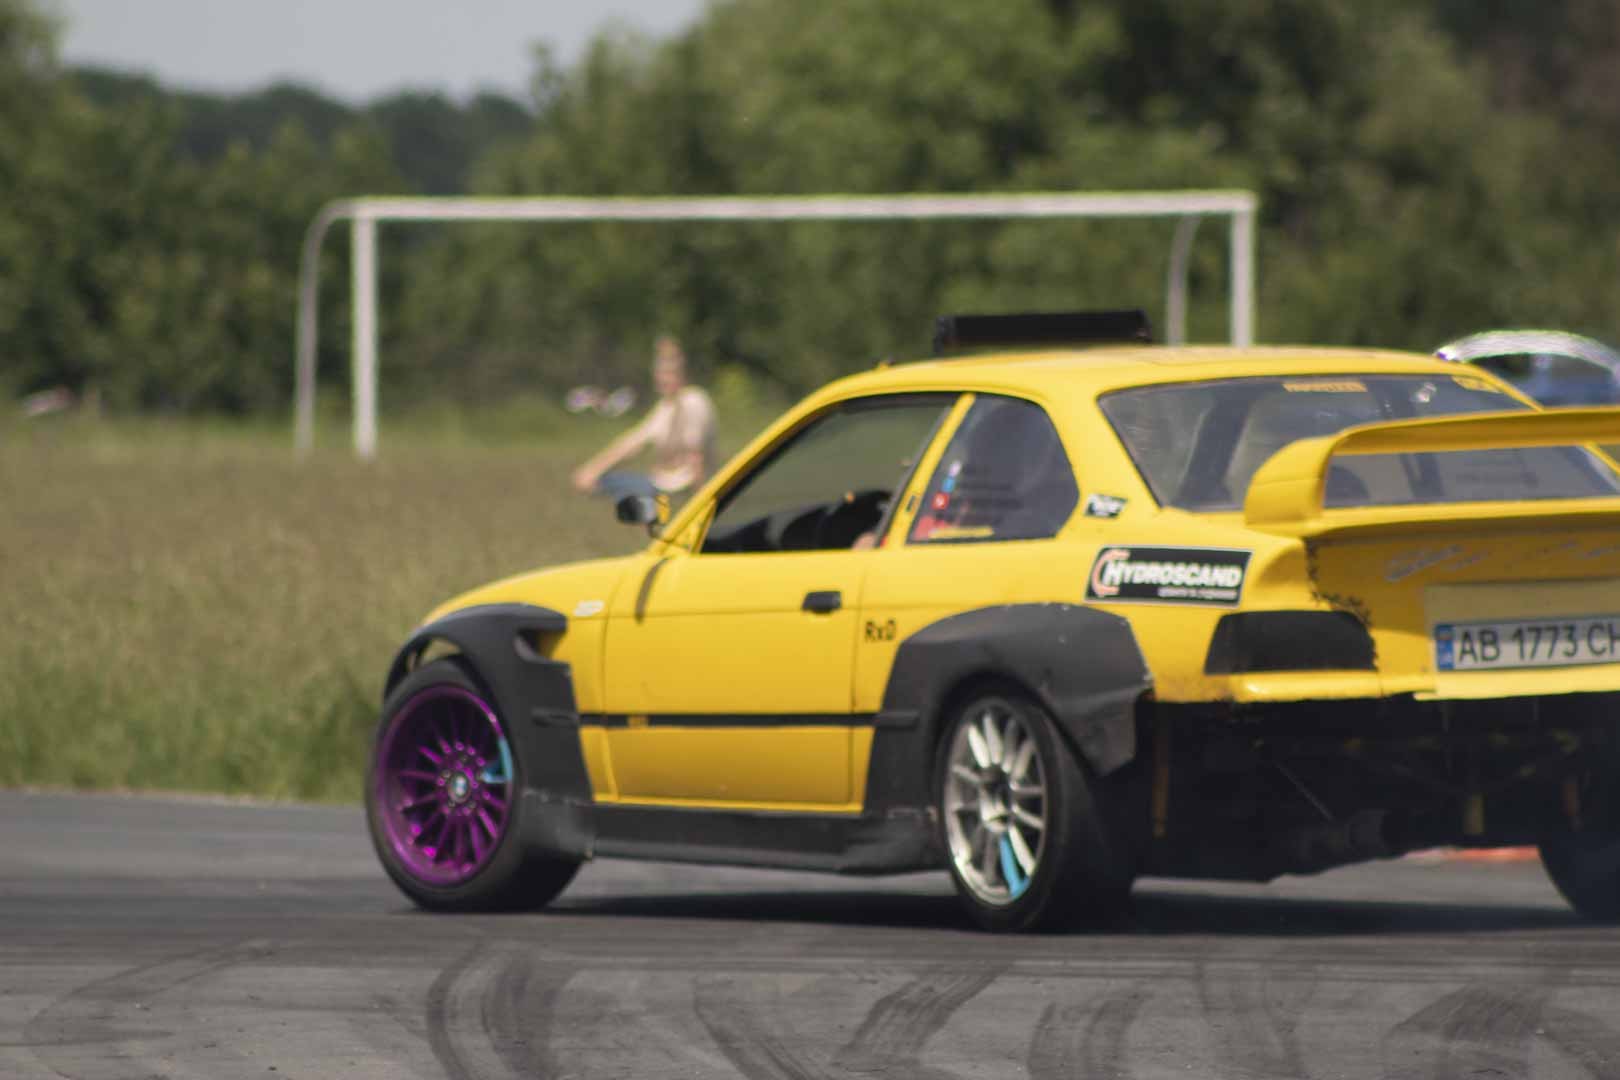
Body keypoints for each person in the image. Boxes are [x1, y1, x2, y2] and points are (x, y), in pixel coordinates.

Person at [571, 336, 718, 500]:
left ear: (683, 373)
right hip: (664, 484)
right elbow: (632, 444)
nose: (664, 379)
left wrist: (701, 500)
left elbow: (696, 456)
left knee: (607, 484)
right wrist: (593, 469)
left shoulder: (694, 401)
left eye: (670, 373)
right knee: (603, 480)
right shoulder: (665, 407)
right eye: (660, 372)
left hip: (680, 489)